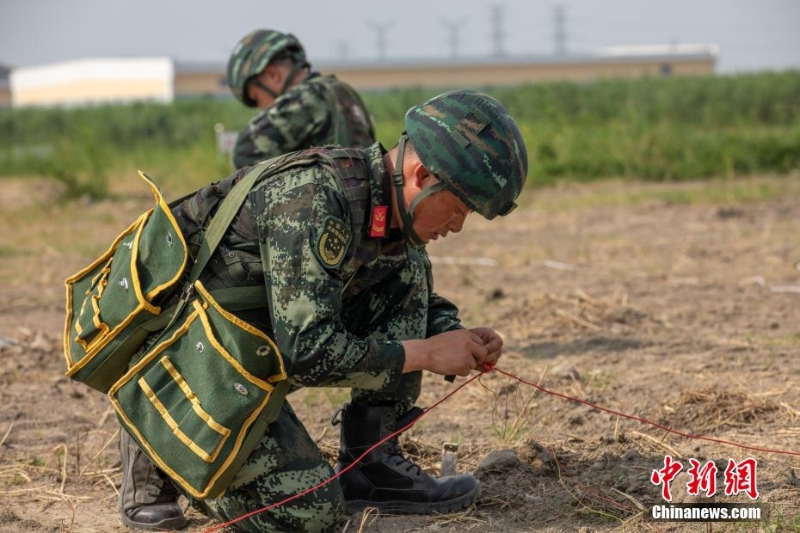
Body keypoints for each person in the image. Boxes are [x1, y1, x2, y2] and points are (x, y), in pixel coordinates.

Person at [120, 88, 528, 532]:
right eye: (460, 207)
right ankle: (153, 450)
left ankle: (370, 465)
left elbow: (409, 300)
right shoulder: (314, 200)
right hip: (185, 361)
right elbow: (308, 353)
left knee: (405, 271)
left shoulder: (380, 203)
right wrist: (426, 354)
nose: (458, 224)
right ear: (423, 175)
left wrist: (458, 335)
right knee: (308, 515)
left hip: (248, 350)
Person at [117, 28, 378, 532]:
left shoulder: (303, 98)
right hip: (342, 249)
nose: (258, 106)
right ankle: (372, 457)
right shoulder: (345, 95)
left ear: (273, 74)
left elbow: (251, 155)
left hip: (298, 244)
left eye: (256, 96)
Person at [226, 28, 376, 168]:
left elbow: (245, 150)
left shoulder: (311, 96)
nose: (262, 109)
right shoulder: (341, 90)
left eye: (256, 98)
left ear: (273, 75)